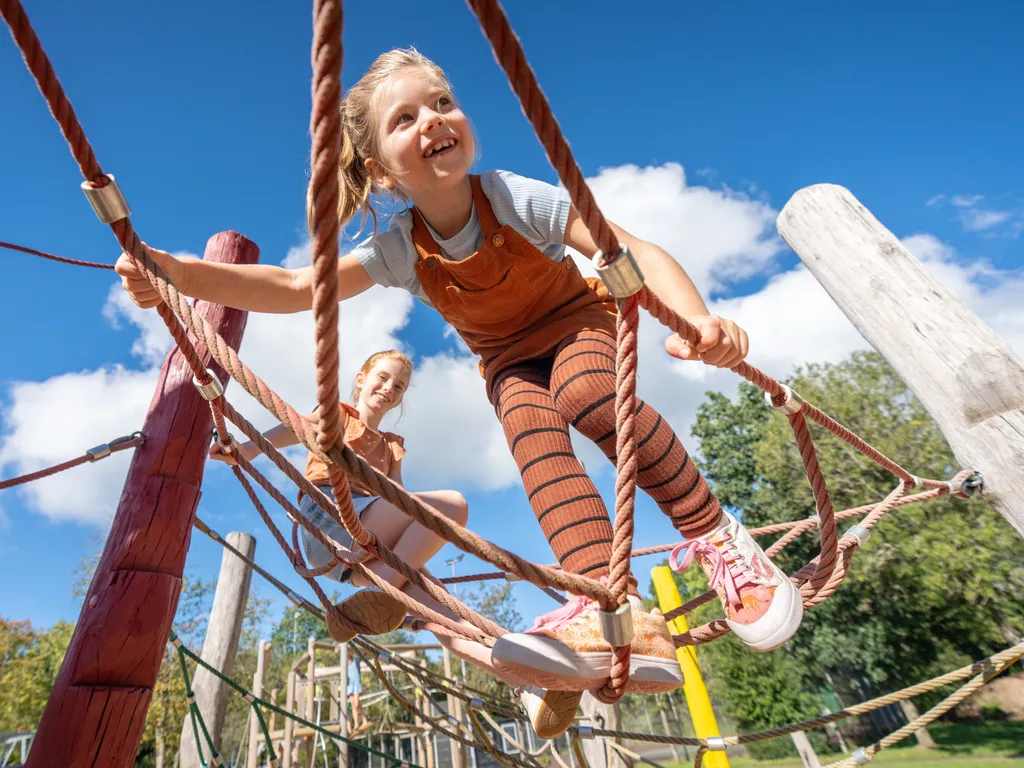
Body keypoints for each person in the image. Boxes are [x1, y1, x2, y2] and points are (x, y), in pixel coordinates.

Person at [116, 47, 803, 737]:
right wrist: (174, 271)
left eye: (442, 103)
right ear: (382, 170)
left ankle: (717, 536)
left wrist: (697, 317)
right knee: (535, 442)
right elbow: (296, 288)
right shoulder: (400, 248)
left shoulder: (509, 195)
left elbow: (625, 248)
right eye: (406, 117)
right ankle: (607, 604)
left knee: (588, 394)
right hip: (507, 362)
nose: (433, 120)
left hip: (576, 324)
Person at [208, 349, 471, 643]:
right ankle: (386, 585)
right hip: (329, 518)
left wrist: (416, 551)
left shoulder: (392, 447)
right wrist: (248, 449)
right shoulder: (339, 416)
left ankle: (515, 675)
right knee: (453, 504)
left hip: (360, 553)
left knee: (447, 612)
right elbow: (294, 427)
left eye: (399, 387)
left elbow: (398, 498)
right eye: (382, 378)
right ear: (361, 379)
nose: (389, 389)